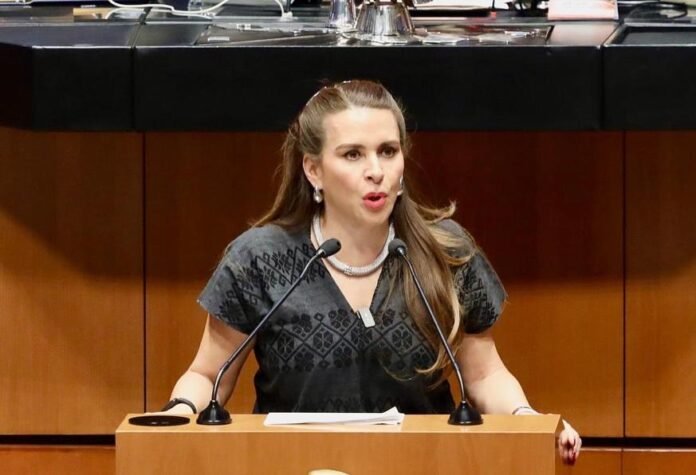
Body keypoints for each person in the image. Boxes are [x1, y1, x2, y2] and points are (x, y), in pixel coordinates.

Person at [162, 80, 581, 464]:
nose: (376, 171)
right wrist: (179, 411)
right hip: (295, 466)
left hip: (422, 467)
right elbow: (207, 375)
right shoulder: (259, 258)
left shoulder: (444, 251)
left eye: (388, 151)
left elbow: (485, 375)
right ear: (313, 169)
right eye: (353, 154)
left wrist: (528, 419)